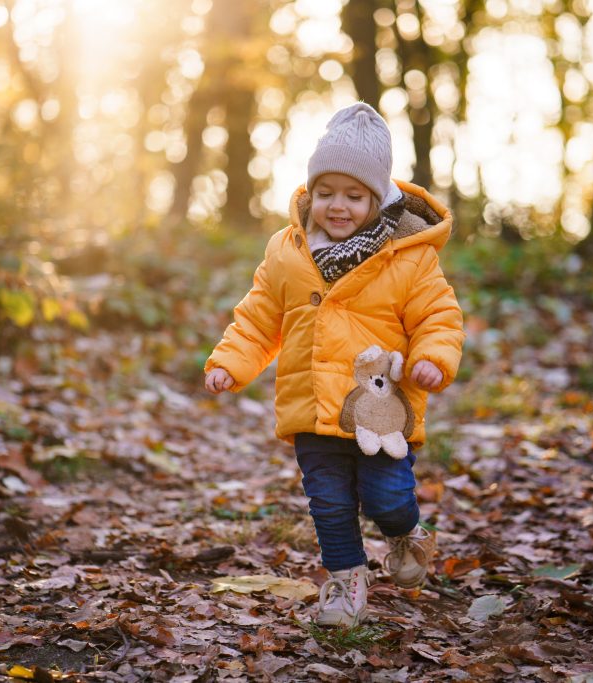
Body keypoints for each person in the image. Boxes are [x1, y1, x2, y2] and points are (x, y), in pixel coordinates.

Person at [204, 102, 464, 627]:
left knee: (386, 497)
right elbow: (258, 319)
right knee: (329, 503)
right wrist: (231, 362)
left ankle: (407, 533)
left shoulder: (408, 256)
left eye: (353, 195)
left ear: (377, 197)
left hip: (380, 409)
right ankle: (345, 585)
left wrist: (434, 358)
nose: (337, 206)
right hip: (311, 408)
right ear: (310, 193)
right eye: (326, 193)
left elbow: (439, 316)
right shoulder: (287, 252)